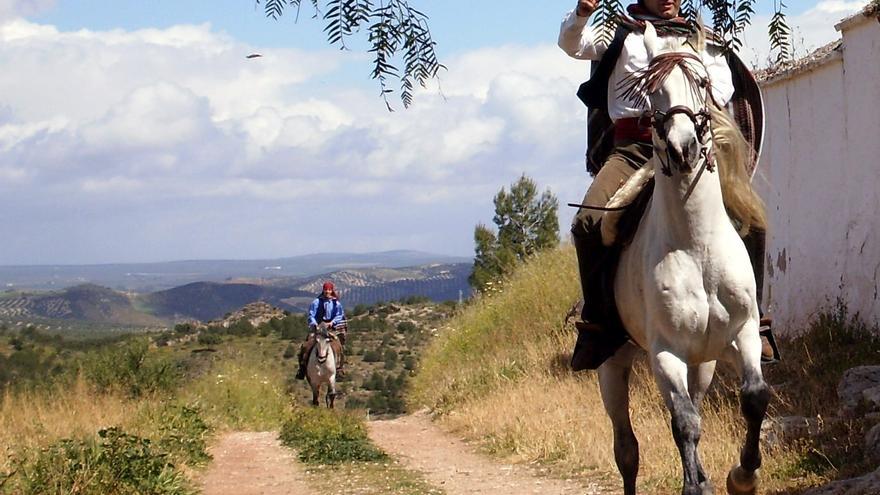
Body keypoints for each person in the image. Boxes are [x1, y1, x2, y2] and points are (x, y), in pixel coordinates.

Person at [559, 0, 778, 370]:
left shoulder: (703, 39)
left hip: (691, 146)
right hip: (632, 149)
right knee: (586, 224)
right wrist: (581, 14)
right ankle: (599, 326)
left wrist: (685, 103)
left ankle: (754, 323)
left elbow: (722, 88)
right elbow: (572, 45)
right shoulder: (620, 34)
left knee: (752, 220)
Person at [295, 281, 347, 379]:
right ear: (323, 290)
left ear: (332, 290)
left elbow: (339, 315)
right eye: (326, 289)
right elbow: (311, 314)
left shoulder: (336, 303)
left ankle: (339, 368)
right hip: (318, 327)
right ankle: (302, 369)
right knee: (306, 345)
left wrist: (332, 322)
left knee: (339, 346)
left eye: (329, 290)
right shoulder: (316, 302)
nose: (327, 291)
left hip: (331, 327)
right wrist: (314, 324)